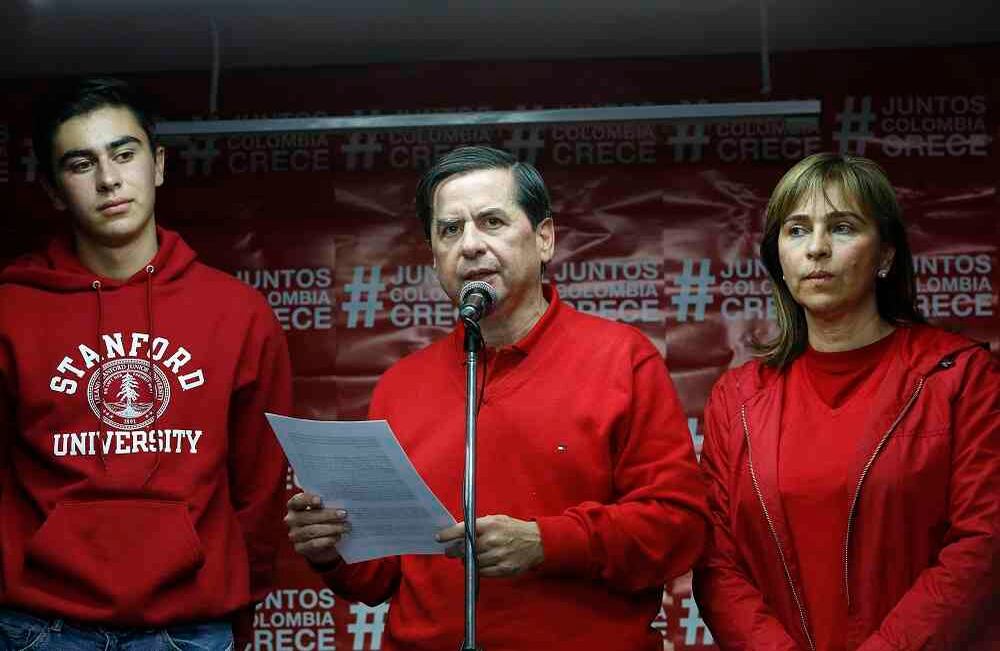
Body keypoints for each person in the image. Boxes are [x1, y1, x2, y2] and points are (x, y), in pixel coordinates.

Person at [285, 145, 707, 650]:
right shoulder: (401, 386)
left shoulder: (622, 359)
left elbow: (678, 527)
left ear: (544, 238)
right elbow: (380, 579)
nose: (470, 246)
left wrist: (547, 544)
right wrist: (332, 548)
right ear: (433, 254)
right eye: (450, 229)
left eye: (491, 221)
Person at [0, 77, 291, 649]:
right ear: (56, 190)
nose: (109, 179)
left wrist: (233, 592)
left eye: (124, 154)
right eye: (81, 164)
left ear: (157, 165)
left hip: (190, 625)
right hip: (40, 625)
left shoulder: (236, 312)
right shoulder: (10, 309)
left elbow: (260, 487)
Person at [693, 152, 999, 651]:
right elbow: (716, 562)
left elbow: (982, 545)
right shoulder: (739, 399)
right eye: (796, 230)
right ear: (779, 261)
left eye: (841, 227)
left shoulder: (960, 377)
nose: (816, 249)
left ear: (885, 255)